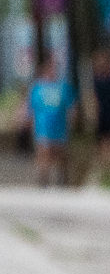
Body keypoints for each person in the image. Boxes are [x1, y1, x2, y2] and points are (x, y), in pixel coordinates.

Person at [26, 54, 78, 187]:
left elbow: (72, 106)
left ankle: (62, 180)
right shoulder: (37, 88)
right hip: (42, 126)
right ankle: (43, 180)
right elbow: (31, 107)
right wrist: (29, 122)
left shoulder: (64, 87)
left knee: (60, 154)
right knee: (44, 152)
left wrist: (73, 120)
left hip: (60, 126)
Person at [90, 48, 110, 178]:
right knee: (103, 139)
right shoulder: (98, 80)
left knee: (109, 139)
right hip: (103, 112)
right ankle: (105, 164)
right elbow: (95, 99)